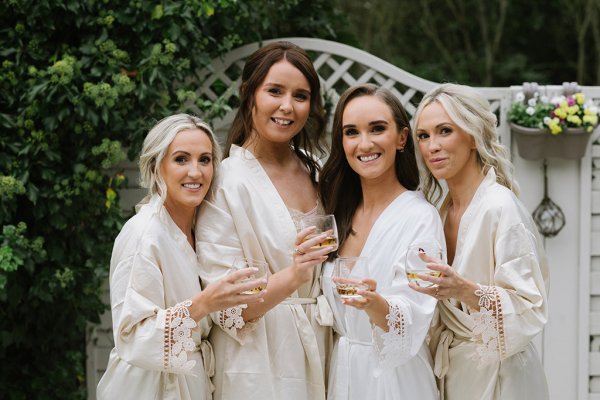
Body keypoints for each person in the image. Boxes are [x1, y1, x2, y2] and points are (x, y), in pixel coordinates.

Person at [195, 41, 335, 400]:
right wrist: (295, 276)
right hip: (257, 360)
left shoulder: (317, 168)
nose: (287, 106)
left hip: (324, 347)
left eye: (300, 95)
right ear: (249, 94)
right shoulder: (225, 182)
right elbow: (230, 307)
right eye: (275, 91)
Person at [97, 114, 267, 400]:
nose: (195, 172)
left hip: (194, 380)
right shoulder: (143, 234)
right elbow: (133, 337)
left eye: (204, 159)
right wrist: (205, 302)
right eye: (181, 159)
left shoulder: (202, 230)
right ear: (156, 166)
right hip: (146, 388)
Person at [411, 83, 550, 400]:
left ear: (472, 135)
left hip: (502, 377)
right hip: (453, 372)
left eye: (444, 131)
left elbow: (531, 306)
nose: (432, 145)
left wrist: (464, 290)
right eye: (423, 135)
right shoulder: (439, 211)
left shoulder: (501, 207)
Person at [318, 83, 444, 400]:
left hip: (396, 381)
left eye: (377, 129)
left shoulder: (420, 217)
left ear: (402, 138)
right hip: (344, 373)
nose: (364, 143)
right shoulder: (337, 213)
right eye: (351, 132)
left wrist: (374, 303)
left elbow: (415, 317)